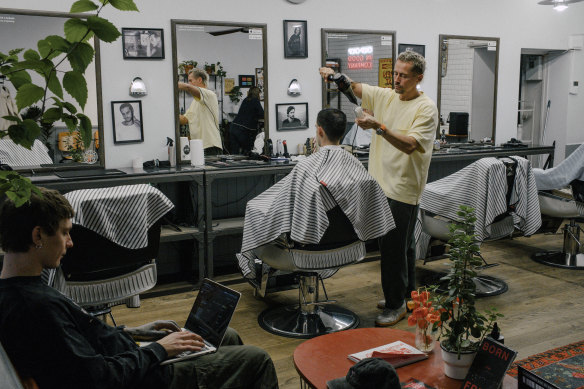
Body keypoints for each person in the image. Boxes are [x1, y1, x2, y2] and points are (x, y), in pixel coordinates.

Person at [0, 188, 279, 389]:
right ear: (38, 235)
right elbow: (100, 379)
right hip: (143, 376)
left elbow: (85, 336)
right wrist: (159, 349)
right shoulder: (36, 306)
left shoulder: (23, 288)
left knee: (222, 335)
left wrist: (139, 331)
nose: (71, 243)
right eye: (64, 232)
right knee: (256, 359)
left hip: (129, 355)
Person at [320, 51, 438, 327]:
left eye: (404, 75)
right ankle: (405, 297)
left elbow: (410, 144)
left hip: (403, 189)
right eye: (395, 73)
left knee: (393, 250)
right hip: (380, 186)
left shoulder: (425, 108)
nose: (397, 79)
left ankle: (395, 306)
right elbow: (355, 87)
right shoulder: (386, 96)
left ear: (418, 78)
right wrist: (335, 76)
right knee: (404, 247)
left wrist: (379, 127)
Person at [237, 108, 393, 283]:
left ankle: (255, 272)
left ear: (319, 130)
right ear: (343, 131)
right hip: (350, 246)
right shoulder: (355, 165)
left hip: (304, 251)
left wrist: (255, 208)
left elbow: (280, 207)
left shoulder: (306, 167)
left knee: (255, 210)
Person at [178, 68, 223, 155]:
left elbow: (187, 87)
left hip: (210, 146)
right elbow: (183, 120)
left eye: (191, 80)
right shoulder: (195, 102)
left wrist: (171, 84)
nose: (189, 83)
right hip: (198, 147)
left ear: (199, 80)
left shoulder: (210, 95)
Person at [228, 86, 264, 154]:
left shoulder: (246, 99)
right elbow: (262, 114)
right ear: (258, 94)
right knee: (248, 151)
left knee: (234, 153)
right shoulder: (255, 100)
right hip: (242, 130)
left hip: (234, 127)